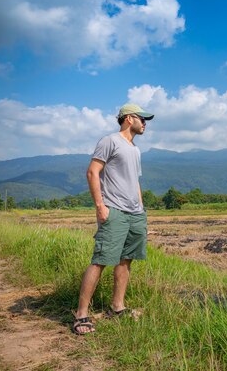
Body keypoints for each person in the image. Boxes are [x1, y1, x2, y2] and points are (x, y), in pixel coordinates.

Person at [73, 103, 154, 335]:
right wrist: (100, 206)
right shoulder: (110, 141)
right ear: (129, 118)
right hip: (114, 210)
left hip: (135, 213)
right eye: (142, 118)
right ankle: (81, 315)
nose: (145, 123)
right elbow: (92, 172)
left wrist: (142, 210)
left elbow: (135, 182)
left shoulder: (135, 149)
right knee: (101, 259)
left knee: (126, 259)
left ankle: (117, 308)